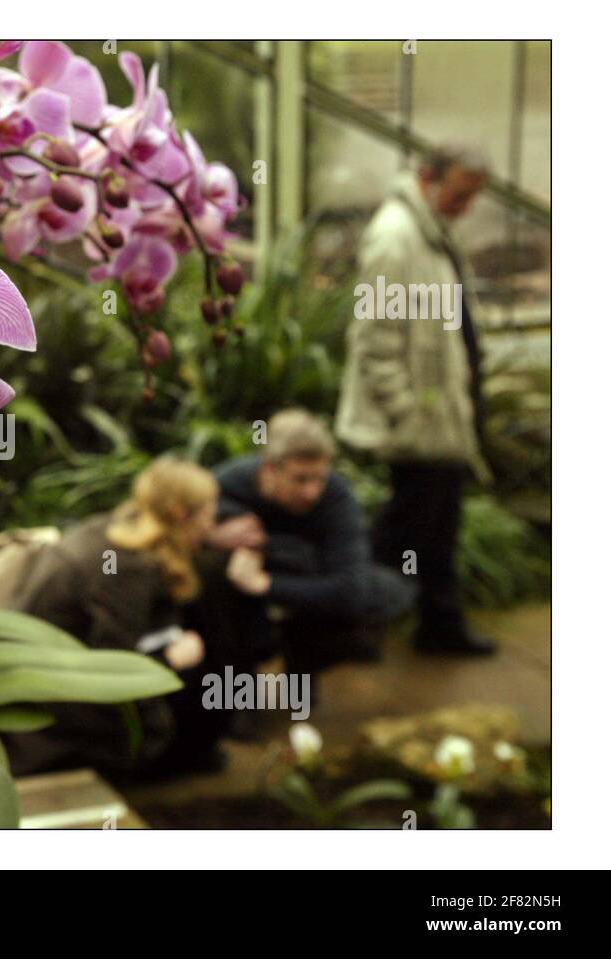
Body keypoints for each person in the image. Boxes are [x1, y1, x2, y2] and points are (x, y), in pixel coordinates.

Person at [0, 457, 268, 778]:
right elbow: (112, 664)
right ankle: (168, 761)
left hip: (41, 671)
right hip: (57, 708)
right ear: (182, 515)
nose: (212, 525)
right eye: (209, 514)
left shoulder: (116, 528)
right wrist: (169, 659)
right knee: (210, 669)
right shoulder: (127, 568)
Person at [336, 143, 496, 655]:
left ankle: (438, 625)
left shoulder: (431, 233)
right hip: (419, 416)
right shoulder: (395, 238)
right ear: (428, 177)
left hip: (440, 408)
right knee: (405, 526)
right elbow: (373, 338)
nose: (465, 206)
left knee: (438, 522)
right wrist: (406, 410)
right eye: (459, 194)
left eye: (472, 198)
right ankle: (356, 626)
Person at [209, 410, 414, 675]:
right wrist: (212, 535)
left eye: (319, 478)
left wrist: (264, 584)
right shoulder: (224, 485)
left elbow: (351, 588)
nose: (312, 492)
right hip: (238, 603)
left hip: (297, 583)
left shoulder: (336, 496)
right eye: (300, 479)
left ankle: (302, 669)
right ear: (270, 468)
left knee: (383, 593)